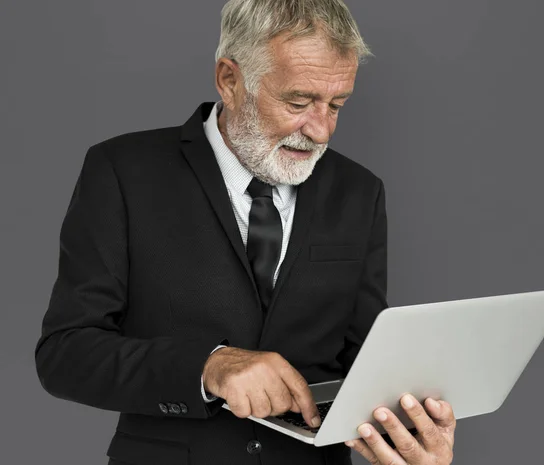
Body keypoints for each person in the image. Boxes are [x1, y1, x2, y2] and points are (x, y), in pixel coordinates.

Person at [34, 0, 456, 464]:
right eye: (298, 102)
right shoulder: (122, 171)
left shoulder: (360, 192)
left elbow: (365, 367)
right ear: (229, 80)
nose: (320, 131)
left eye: (337, 105)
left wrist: (411, 438)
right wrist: (208, 365)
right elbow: (65, 355)